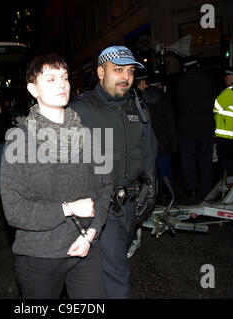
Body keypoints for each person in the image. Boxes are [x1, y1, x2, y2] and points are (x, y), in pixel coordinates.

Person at [0, 54, 112, 299]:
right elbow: (15, 210)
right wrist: (69, 208)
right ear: (32, 89)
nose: (62, 84)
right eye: (50, 79)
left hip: (85, 249)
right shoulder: (19, 141)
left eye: (64, 78)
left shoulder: (90, 136)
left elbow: (105, 188)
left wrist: (92, 234)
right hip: (39, 257)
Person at [70, 46, 158, 299]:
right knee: (117, 275)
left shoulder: (137, 107)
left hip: (131, 205)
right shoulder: (82, 109)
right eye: (117, 70)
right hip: (102, 209)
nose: (125, 77)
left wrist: (149, 188)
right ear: (100, 72)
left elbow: (148, 150)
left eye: (130, 71)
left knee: (105, 270)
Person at [175, 56, 217, 201]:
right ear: (197, 65)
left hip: (187, 129)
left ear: (185, 68)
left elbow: (178, 104)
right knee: (205, 161)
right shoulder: (207, 80)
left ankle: (191, 189)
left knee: (188, 160)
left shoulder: (181, 83)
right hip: (206, 127)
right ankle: (207, 191)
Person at [142, 73, 178, 202]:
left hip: (147, 141)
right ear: (160, 86)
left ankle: (151, 194)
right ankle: (167, 193)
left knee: (150, 169)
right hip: (163, 142)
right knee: (165, 169)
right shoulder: (165, 101)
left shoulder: (142, 101)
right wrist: (174, 142)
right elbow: (170, 124)